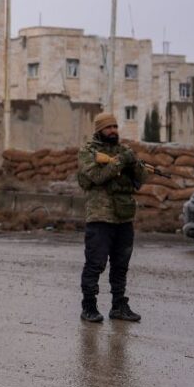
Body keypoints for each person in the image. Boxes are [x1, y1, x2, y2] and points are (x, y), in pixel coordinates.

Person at [76, 112, 145, 323]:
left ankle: (119, 306)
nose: (113, 131)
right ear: (99, 130)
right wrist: (120, 162)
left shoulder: (123, 150)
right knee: (95, 264)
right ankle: (89, 306)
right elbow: (97, 176)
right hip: (100, 217)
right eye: (108, 127)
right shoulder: (88, 152)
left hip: (123, 216)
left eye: (115, 126)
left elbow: (141, 179)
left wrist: (133, 163)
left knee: (121, 265)